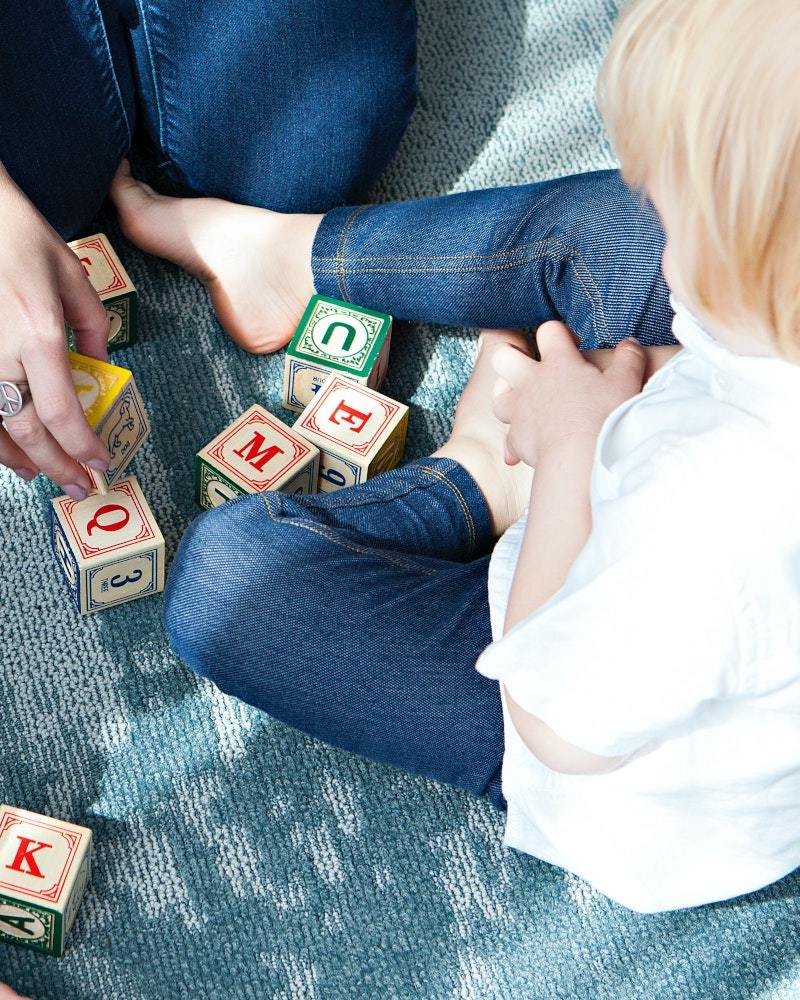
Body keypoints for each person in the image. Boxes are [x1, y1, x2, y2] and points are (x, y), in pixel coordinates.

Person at [162, 0, 800, 915]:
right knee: (609, 234)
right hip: (667, 513)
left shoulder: (711, 526)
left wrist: (572, 448)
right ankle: (293, 258)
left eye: (674, 201)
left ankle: (476, 482)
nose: (645, 189)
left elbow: (561, 722)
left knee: (229, 580)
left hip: (571, 716)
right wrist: (664, 367)